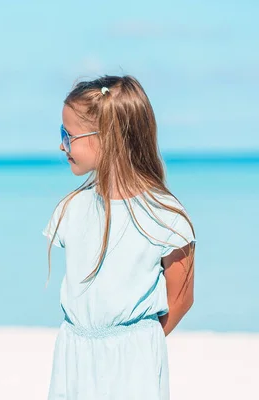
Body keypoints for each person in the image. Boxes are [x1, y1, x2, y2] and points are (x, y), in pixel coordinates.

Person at [43, 76, 195, 399]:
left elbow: (180, 299)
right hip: (74, 359)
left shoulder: (164, 215)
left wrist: (135, 343)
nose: (61, 145)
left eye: (67, 136)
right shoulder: (72, 209)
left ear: (105, 139)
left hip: (134, 363)